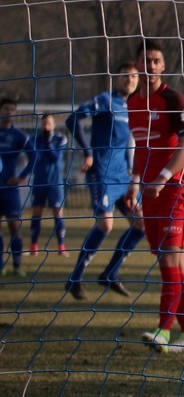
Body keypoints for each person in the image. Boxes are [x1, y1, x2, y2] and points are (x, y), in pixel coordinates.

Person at [128, 40, 184, 354]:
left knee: (171, 259)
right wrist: (135, 186)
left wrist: (162, 177)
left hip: (174, 191)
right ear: (137, 64)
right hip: (149, 194)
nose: (152, 66)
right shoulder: (131, 104)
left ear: (163, 65)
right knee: (175, 266)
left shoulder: (172, 99)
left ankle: (163, 330)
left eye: (157, 61)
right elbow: (137, 151)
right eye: (147, 60)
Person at [66, 62, 144, 300]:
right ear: (116, 79)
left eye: (133, 76)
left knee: (142, 223)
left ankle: (110, 273)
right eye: (124, 76)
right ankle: (75, 278)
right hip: (102, 173)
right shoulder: (105, 100)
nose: (129, 80)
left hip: (124, 176)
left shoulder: (136, 107)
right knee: (105, 226)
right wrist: (88, 151)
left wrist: (134, 172)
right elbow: (73, 120)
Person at [24, 114, 68, 258]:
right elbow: (36, 158)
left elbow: (56, 157)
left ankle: (61, 246)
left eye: (48, 123)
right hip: (39, 182)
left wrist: (49, 142)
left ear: (54, 124)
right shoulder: (34, 140)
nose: (46, 126)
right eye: (44, 123)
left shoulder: (61, 139)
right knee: (36, 214)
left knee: (58, 214)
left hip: (55, 183)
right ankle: (33, 246)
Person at [0, 98, 31, 274]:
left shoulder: (19, 135)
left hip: (10, 190)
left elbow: (34, 156)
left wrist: (21, 177)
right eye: (6, 109)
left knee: (14, 227)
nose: (9, 112)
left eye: (12, 109)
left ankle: (17, 265)